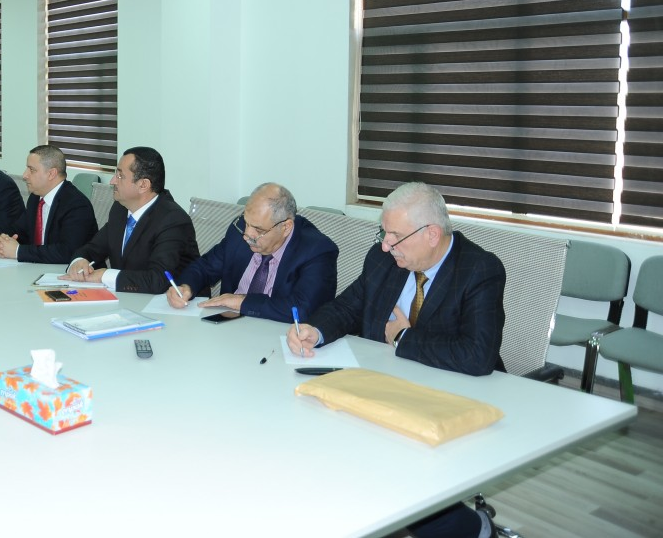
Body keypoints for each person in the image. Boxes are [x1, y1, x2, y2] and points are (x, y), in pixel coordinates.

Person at [286, 181, 506, 538]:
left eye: (395, 237)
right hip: (387, 386)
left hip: (453, 396)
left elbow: (477, 355)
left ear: (432, 234)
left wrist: (404, 338)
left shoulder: (479, 269)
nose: (385, 245)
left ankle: (473, 529)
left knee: (397, 478)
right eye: (384, 233)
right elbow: (348, 307)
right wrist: (317, 330)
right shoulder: (383, 259)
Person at [167, 183, 338, 320]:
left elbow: (303, 309)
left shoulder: (317, 250)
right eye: (246, 222)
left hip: (280, 337)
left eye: (258, 229)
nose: (247, 234)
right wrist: (186, 287)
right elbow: (205, 267)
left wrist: (243, 302)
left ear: (286, 227)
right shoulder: (239, 229)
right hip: (228, 329)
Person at [62, 146, 198, 293]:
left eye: (120, 176)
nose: (112, 181)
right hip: (129, 299)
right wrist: (79, 261)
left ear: (143, 185)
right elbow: (92, 248)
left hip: (173, 303)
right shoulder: (120, 209)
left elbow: (158, 280)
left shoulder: (173, 220)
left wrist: (104, 275)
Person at [0, 145, 97, 264]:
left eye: (32, 170)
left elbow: (67, 252)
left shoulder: (77, 205)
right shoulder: (35, 198)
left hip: (72, 272)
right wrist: (2, 242)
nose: (25, 175)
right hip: (39, 267)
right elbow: (19, 232)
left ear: (51, 173)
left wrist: (18, 251)